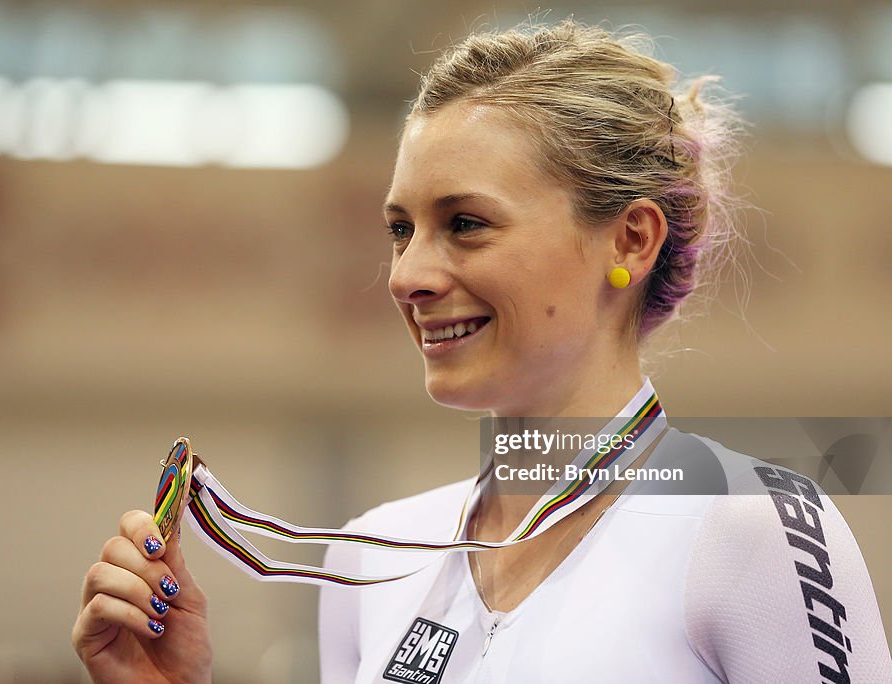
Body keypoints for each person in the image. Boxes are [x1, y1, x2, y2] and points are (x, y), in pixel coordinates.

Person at [72, 19, 892, 683]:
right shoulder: (369, 561)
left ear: (632, 239)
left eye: (466, 223)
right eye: (401, 229)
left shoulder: (750, 531)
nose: (408, 275)